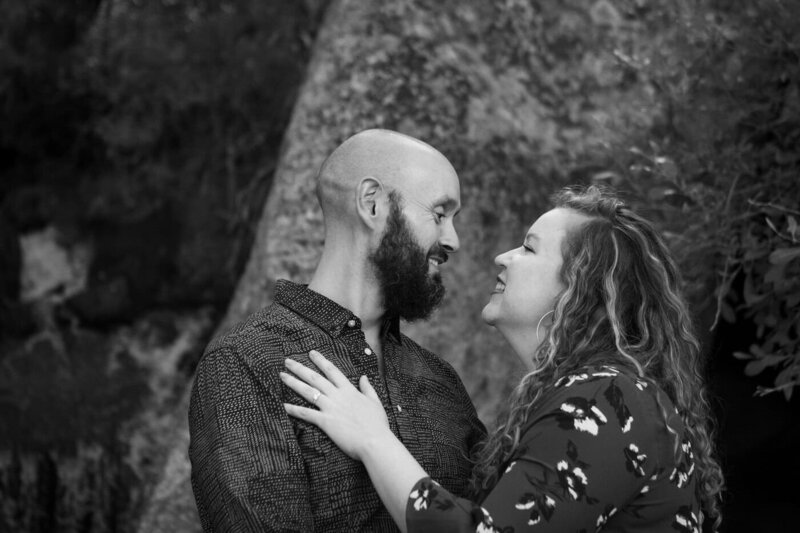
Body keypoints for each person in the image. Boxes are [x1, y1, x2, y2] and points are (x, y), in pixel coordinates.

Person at [282, 185, 725, 532]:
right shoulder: (603, 393)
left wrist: (372, 440)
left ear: (578, 288)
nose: (503, 257)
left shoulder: (607, 400)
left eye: (529, 249)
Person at [188, 129, 486, 532]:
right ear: (372, 203)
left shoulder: (442, 382)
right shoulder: (246, 362)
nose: (453, 240)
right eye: (439, 213)